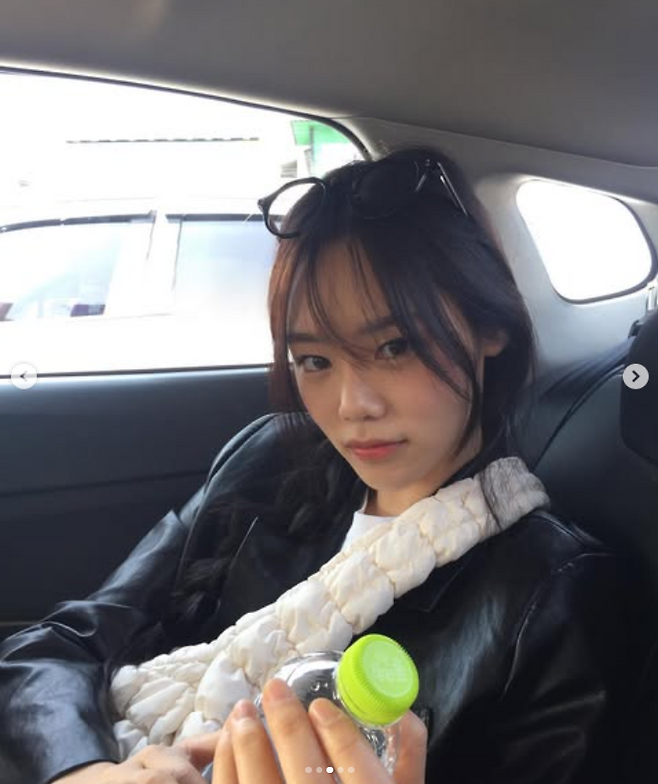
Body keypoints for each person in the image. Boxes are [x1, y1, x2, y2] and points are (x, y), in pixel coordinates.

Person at [0, 147, 645, 784]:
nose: (351, 406)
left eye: (394, 346)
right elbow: (64, 642)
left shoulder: (555, 594)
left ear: (489, 327)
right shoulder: (265, 461)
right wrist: (84, 770)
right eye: (314, 361)